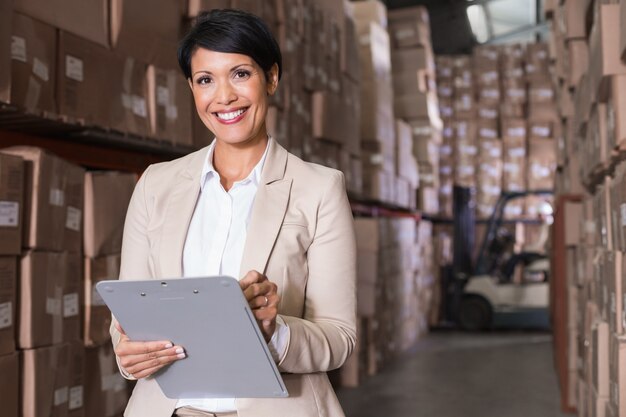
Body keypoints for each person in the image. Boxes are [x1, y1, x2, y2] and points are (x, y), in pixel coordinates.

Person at [109, 9, 357, 417]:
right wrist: (128, 353)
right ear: (192, 88)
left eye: (240, 74)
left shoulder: (319, 189)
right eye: (206, 80)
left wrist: (272, 332)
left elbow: (340, 337)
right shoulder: (155, 185)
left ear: (272, 77)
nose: (223, 96)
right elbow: (128, 314)